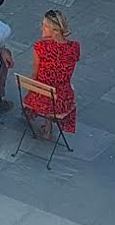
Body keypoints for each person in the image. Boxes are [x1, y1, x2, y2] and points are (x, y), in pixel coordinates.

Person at [23, 10, 80, 140]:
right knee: (55, 87)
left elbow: (34, 74)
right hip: (62, 99)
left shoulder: (40, 47)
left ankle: (43, 125)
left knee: (41, 87)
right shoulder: (74, 47)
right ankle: (47, 129)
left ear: (55, 30)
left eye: (45, 25)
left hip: (40, 99)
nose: (41, 27)